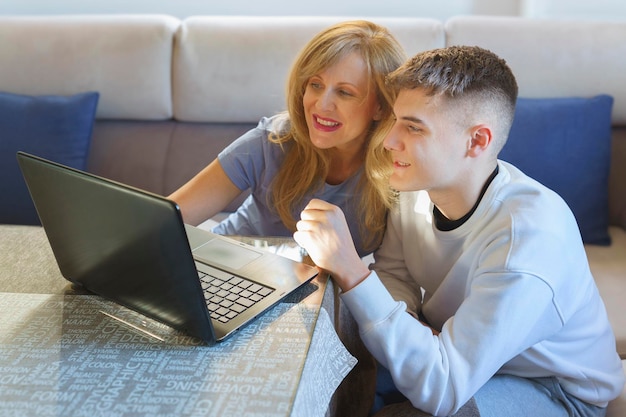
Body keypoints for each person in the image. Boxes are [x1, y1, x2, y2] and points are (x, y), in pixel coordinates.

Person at [294, 45, 625, 416]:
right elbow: (394, 274)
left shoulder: (527, 238)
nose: (389, 141)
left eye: (414, 127)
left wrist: (350, 269)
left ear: (477, 141)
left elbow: (443, 388)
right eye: (396, 121)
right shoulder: (415, 187)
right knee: (322, 376)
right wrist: (414, 326)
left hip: (553, 387)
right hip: (462, 359)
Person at [168, 20, 406, 257]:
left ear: (381, 108)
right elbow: (163, 223)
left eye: (344, 92)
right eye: (315, 84)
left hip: (320, 288)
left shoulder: (400, 168)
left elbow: (398, 272)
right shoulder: (270, 141)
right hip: (229, 265)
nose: (321, 105)